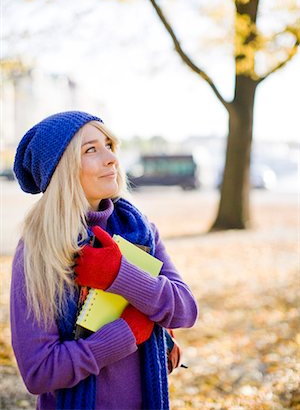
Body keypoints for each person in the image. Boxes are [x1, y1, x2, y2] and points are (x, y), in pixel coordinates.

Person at [10, 110, 198, 410]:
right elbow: (39, 372)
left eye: (109, 145)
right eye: (91, 150)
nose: (111, 158)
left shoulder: (140, 230)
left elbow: (185, 311)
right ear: (62, 169)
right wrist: (125, 335)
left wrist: (120, 275)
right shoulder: (39, 251)